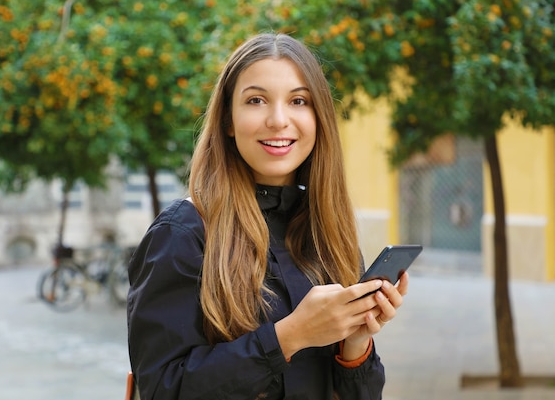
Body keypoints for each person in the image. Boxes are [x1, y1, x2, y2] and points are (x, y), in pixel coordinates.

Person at [127, 32, 409, 400]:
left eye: (298, 101)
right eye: (256, 100)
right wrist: (290, 336)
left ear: (318, 117)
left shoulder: (328, 233)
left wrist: (355, 342)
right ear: (228, 119)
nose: (278, 120)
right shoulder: (182, 234)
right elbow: (162, 389)